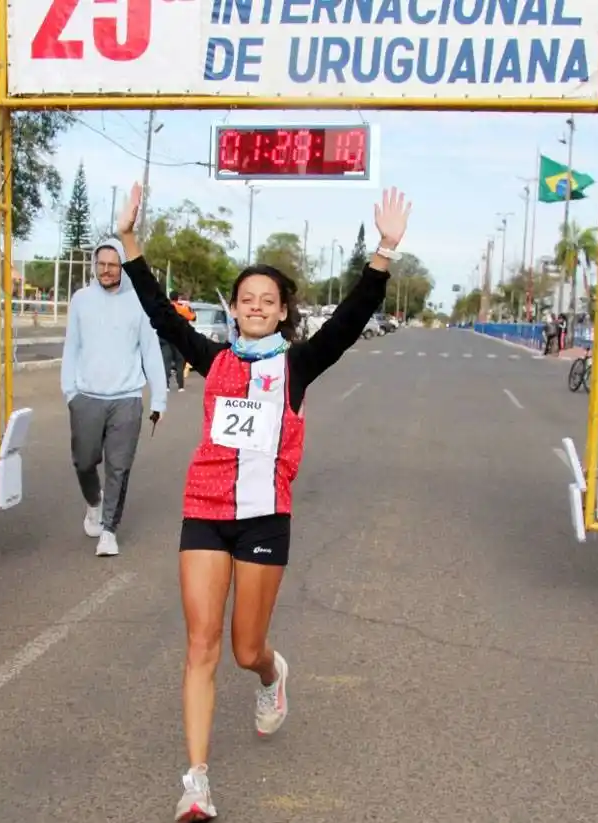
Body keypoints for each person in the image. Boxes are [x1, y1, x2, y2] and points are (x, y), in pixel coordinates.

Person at [115, 183, 411, 822]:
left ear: (281, 314)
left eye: (266, 301)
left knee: (245, 649)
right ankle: (196, 782)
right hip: (204, 511)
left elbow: (350, 318)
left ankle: (273, 676)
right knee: (201, 645)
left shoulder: (298, 365)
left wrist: (384, 251)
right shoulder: (213, 358)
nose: (254, 307)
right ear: (235, 309)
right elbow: (161, 312)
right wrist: (130, 239)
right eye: (245, 298)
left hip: (263, 520)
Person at [60, 237, 168, 557]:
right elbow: (71, 347)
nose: (106, 270)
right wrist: (70, 392)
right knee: (84, 461)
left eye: (113, 265)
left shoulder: (138, 303)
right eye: (102, 264)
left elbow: (151, 353)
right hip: (86, 398)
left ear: (123, 267)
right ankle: (94, 503)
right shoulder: (81, 300)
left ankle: (109, 530)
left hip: (127, 399)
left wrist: (159, 399)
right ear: (95, 265)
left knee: (119, 468)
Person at [161, 291, 195, 392]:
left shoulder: (164, 308)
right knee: (180, 361)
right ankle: (180, 386)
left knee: (166, 361)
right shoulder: (182, 308)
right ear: (178, 298)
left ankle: (166, 385)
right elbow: (193, 317)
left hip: (165, 337)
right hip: (178, 336)